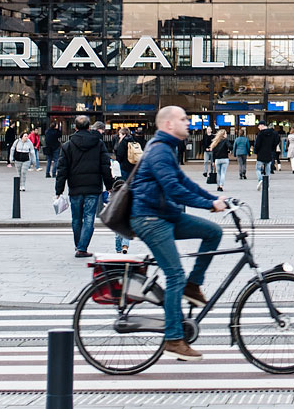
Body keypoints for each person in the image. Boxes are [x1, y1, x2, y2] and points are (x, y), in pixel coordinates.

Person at [129, 106, 234, 362]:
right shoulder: (158, 150)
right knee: (174, 274)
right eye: (183, 119)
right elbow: (174, 189)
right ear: (168, 124)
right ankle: (174, 339)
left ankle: (193, 286)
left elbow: (185, 182)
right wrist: (210, 205)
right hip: (150, 218)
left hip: (166, 215)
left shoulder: (168, 148)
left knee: (213, 232)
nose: (188, 123)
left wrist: (216, 198)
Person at [55, 115, 113, 258]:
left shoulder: (68, 145)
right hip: (93, 187)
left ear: (75, 127)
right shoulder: (98, 144)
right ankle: (82, 247)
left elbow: (62, 170)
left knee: (76, 218)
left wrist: (59, 190)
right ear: (89, 127)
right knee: (89, 217)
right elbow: (105, 166)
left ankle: (79, 245)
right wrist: (109, 185)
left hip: (75, 187)